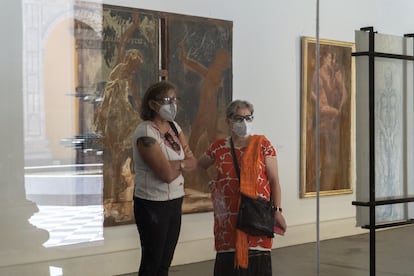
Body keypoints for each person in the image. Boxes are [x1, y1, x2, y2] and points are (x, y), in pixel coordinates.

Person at [198, 100, 287, 276]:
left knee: (256, 262)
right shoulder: (219, 147)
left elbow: (274, 180)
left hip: (257, 215)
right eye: (238, 118)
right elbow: (200, 166)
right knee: (228, 263)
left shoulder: (263, 145)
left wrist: (277, 210)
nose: (244, 123)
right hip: (228, 218)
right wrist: (211, 185)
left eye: (248, 118)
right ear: (228, 121)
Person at [132, 80, 197, 276]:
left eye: (174, 99)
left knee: (165, 261)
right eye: (166, 100)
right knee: (152, 260)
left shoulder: (174, 128)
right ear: (152, 104)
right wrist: (182, 164)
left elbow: (193, 161)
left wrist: (179, 164)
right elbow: (166, 175)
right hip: (152, 203)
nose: (172, 104)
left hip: (174, 201)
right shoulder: (145, 132)